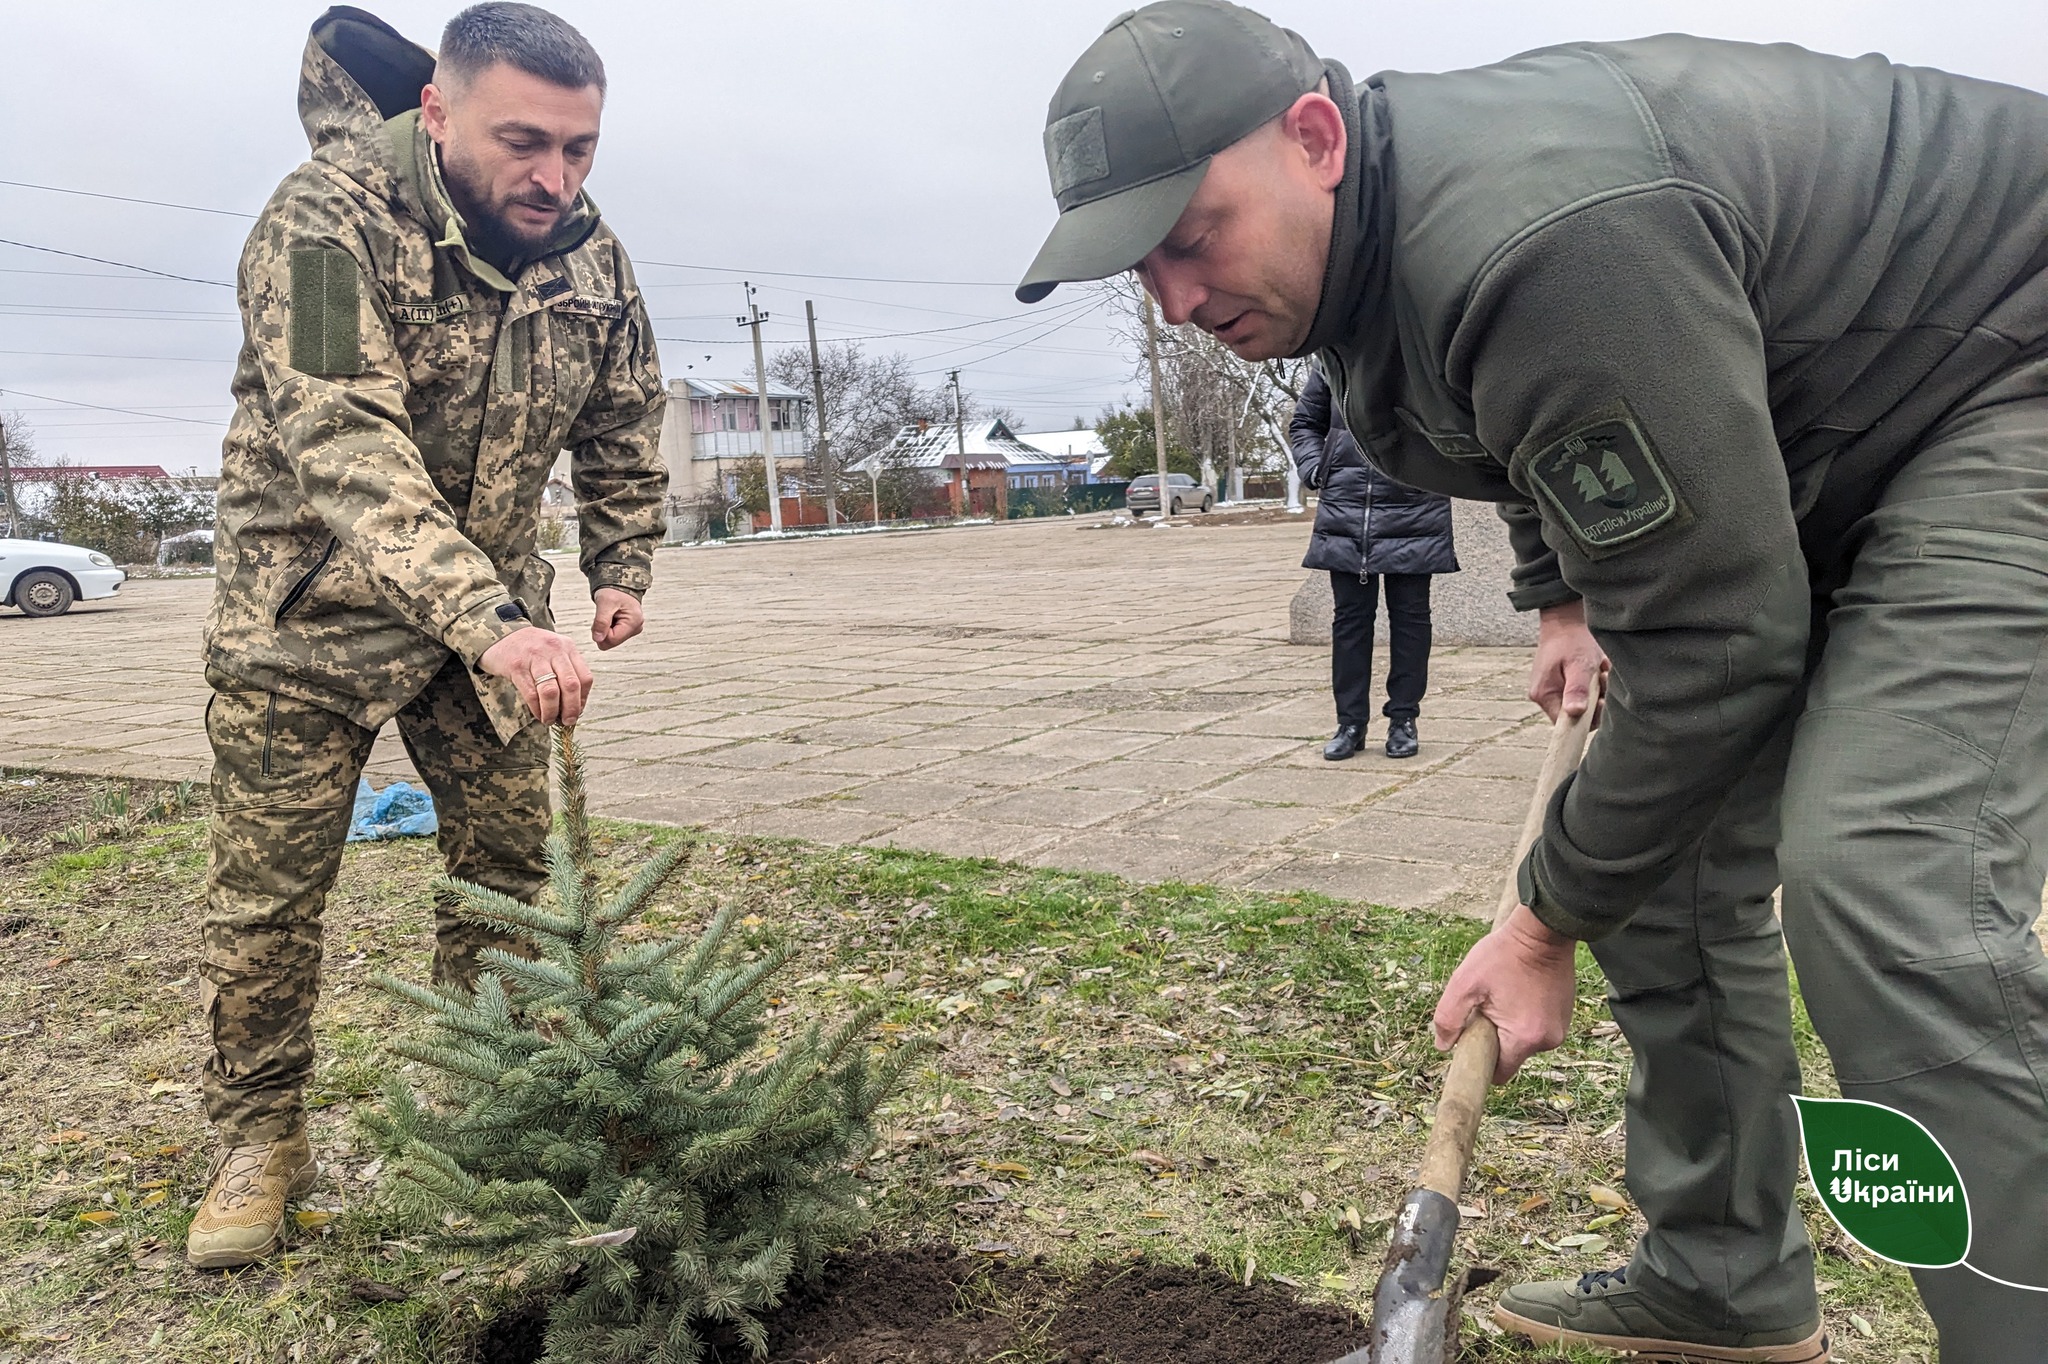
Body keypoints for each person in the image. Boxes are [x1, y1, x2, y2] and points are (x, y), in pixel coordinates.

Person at [1015, 4, 2048, 1360]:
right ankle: (1723, 1274)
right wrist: (1563, 597)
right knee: (1662, 856)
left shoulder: (1544, 236)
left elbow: (1722, 648)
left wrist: (1541, 919)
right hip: (1843, 425)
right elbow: (1514, 423)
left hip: (2007, 371)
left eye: (1193, 237)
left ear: (1313, 138)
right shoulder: (1355, 261)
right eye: (1142, 270)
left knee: (1880, 870)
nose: (1179, 302)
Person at [188, 3, 667, 1270]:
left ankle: (489, 1110)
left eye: (579, 149)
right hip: (309, 618)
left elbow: (625, 407)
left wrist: (621, 557)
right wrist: (493, 620)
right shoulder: (326, 223)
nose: (553, 177)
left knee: (510, 883)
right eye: (525, 141)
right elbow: (347, 443)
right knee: (268, 900)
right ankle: (260, 1137)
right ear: (437, 112)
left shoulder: (588, 249)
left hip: (489, 618)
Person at [1290, 364, 1457, 760]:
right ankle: (1350, 724)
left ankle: (1403, 719)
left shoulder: (1422, 355)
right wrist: (1317, 468)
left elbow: (1456, 419)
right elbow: (1304, 423)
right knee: (1350, 621)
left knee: (1411, 620)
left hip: (1416, 507)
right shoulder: (1331, 365)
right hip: (1347, 510)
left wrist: (1438, 469)